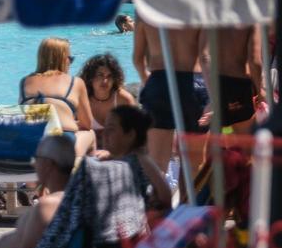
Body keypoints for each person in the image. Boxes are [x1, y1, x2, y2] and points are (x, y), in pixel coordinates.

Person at [133, 15, 207, 177]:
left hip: (160, 81)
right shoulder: (198, 13)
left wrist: (149, 83)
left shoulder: (148, 13)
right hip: (194, 83)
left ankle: (157, 201)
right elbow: (205, 57)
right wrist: (214, 97)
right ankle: (188, 200)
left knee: (157, 163)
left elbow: (137, 60)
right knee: (194, 163)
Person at [20, 37, 96, 157]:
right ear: (61, 59)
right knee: (90, 133)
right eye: (70, 59)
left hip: (29, 144)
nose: (70, 63)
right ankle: (82, 170)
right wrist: (70, 123)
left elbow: (24, 118)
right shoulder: (75, 82)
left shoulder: (25, 81)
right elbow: (87, 124)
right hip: (60, 146)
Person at [95, 105, 172, 209]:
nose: (104, 134)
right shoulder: (115, 158)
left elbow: (165, 196)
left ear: (130, 135)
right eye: (105, 128)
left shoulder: (141, 159)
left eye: (111, 129)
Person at [202, 25, 262, 133]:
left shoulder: (212, 15)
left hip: (210, 81)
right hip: (237, 83)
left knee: (210, 144)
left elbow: (205, 56)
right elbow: (254, 61)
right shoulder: (249, 19)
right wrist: (261, 91)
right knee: (247, 144)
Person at [79, 53, 137, 148]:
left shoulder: (123, 100)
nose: (105, 81)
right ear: (90, 77)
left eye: (109, 76)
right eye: (100, 75)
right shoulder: (83, 98)